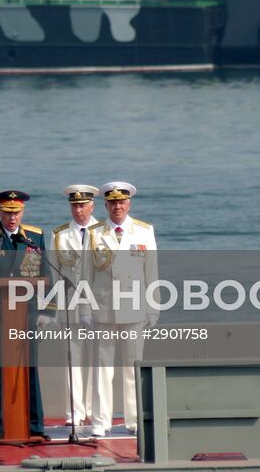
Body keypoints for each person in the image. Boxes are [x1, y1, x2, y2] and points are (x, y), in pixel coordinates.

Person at [0, 190, 48, 439]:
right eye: (7, 213)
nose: (12, 217)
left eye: (16, 213)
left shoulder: (35, 237)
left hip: (27, 315)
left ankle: (35, 426)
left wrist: (47, 310)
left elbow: (46, 274)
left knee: (31, 368)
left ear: (22, 213)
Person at [87, 182, 157, 437]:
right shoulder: (94, 233)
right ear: (105, 205)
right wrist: (84, 308)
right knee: (102, 368)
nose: (117, 206)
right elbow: (86, 274)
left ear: (129, 204)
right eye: (112, 202)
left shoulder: (143, 231)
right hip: (103, 308)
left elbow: (151, 273)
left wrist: (153, 307)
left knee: (132, 366)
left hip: (134, 308)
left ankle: (135, 419)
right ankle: (100, 421)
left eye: (121, 202)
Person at [51, 184, 101, 437]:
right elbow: (54, 277)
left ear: (92, 206)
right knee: (73, 363)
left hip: (98, 307)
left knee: (97, 362)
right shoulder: (60, 236)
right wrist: (58, 311)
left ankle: (95, 411)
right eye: (75, 205)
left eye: (83, 205)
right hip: (70, 307)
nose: (79, 210)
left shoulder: (103, 233)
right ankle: (75, 413)